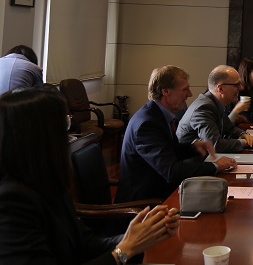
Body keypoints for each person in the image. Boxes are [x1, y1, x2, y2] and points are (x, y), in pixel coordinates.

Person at [0, 87, 180, 264]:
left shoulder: (48, 186)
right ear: (38, 136)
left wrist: (144, 235)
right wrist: (126, 250)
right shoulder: (11, 201)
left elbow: (86, 246)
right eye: (63, 124)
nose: (68, 133)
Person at [117, 66, 237, 202]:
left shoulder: (157, 114)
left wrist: (194, 148)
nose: (190, 94)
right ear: (166, 91)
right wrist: (215, 166)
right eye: (185, 89)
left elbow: (168, 151)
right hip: (146, 203)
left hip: (162, 191)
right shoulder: (147, 124)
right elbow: (171, 171)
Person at [177, 65, 253, 152]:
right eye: (236, 85)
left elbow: (230, 128)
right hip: (196, 159)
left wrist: (243, 134)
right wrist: (243, 142)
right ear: (220, 89)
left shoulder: (215, 103)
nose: (241, 88)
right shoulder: (204, 108)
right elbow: (214, 145)